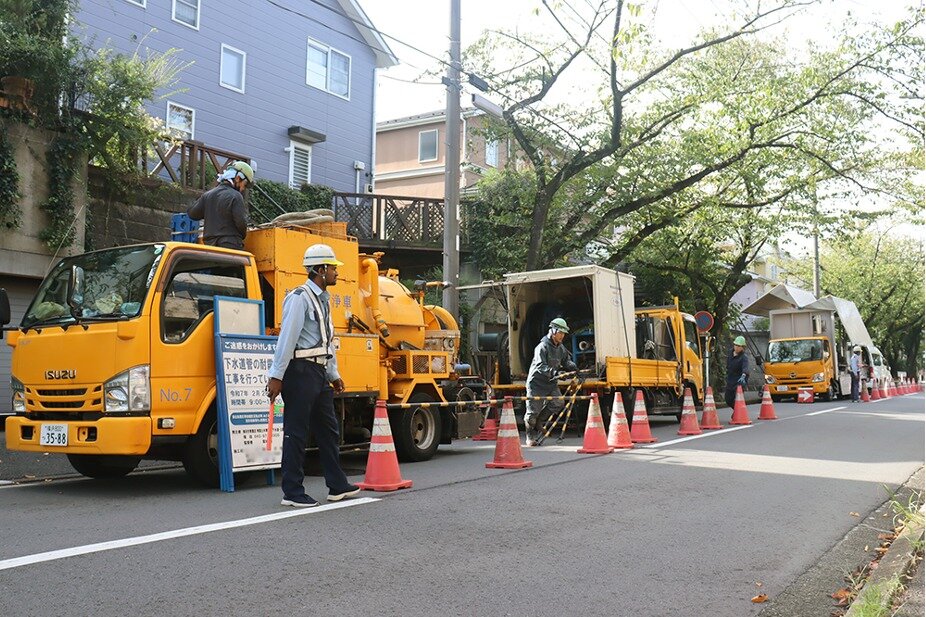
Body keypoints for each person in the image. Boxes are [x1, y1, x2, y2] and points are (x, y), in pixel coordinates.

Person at [266, 243, 359, 508]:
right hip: (300, 372)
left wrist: (333, 373)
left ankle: (337, 484)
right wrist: (277, 376)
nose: (336, 272)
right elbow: (287, 338)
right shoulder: (299, 298)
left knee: (329, 430)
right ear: (320, 269)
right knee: (296, 432)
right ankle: (292, 492)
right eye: (332, 268)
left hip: (318, 372)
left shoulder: (323, 301)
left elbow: (327, 341)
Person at [524, 317, 577, 447]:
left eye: (564, 333)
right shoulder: (542, 347)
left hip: (550, 383)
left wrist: (571, 366)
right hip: (536, 383)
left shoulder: (561, 347)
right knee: (532, 412)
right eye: (560, 333)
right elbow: (540, 366)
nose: (562, 336)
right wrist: (555, 373)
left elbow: (566, 360)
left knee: (558, 402)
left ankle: (539, 421)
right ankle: (530, 436)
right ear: (553, 331)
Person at [186, 161, 253, 249]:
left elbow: (192, 214)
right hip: (230, 246)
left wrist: (209, 208)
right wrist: (243, 235)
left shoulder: (208, 195)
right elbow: (241, 222)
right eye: (244, 184)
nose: (243, 188)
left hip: (210, 248)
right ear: (237, 178)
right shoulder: (236, 196)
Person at [725, 335, 749, 409]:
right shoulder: (730, 353)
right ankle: (737, 410)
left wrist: (743, 375)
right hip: (730, 379)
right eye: (736, 345)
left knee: (737, 399)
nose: (737, 347)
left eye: (739, 346)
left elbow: (745, 367)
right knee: (728, 399)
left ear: (742, 347)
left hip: (739, 380)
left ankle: (738, 413)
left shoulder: (744, 357)